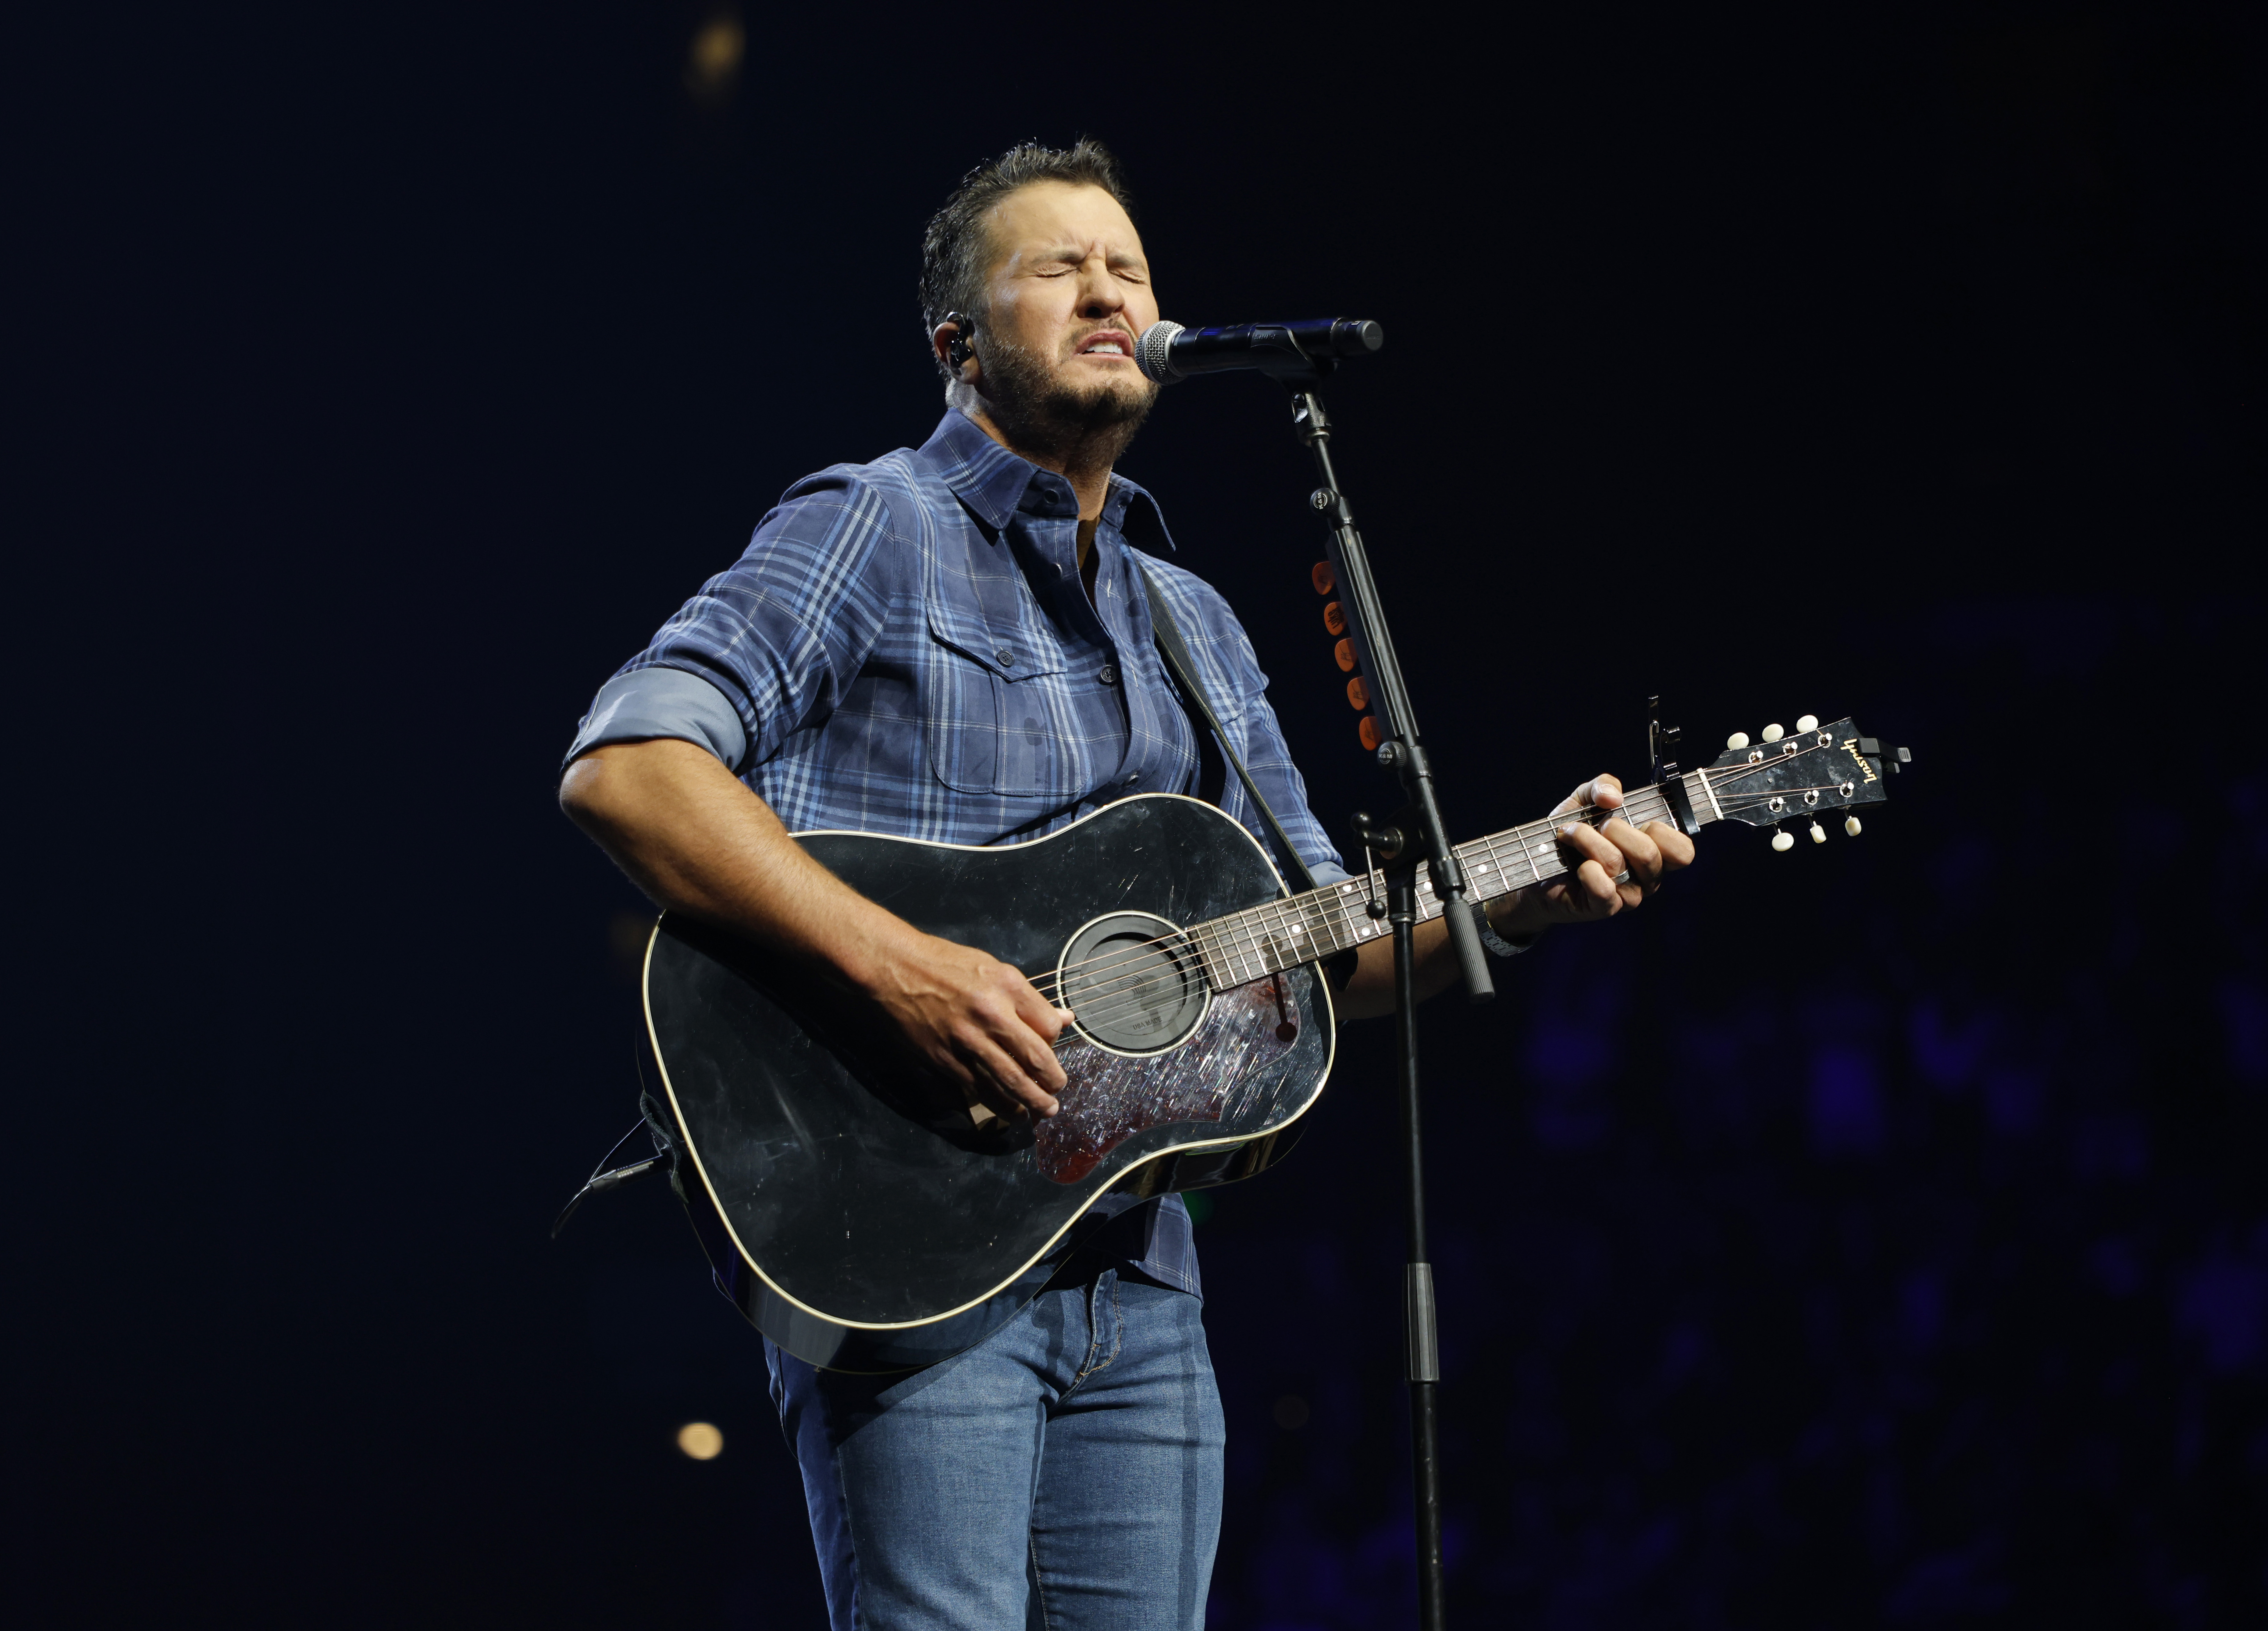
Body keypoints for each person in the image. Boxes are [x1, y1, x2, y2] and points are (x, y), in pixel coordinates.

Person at [559, 138, 1694, 1631]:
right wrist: (903, 968)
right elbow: (629, 767)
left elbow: (1320, 948)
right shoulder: (875, 524)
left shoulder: (1193, 622)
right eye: (1059, 268)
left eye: (1131, 270)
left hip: (1141, 1272)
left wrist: (1523, 892)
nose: (1108, 291)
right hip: (907, 1236)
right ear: (958, 342)